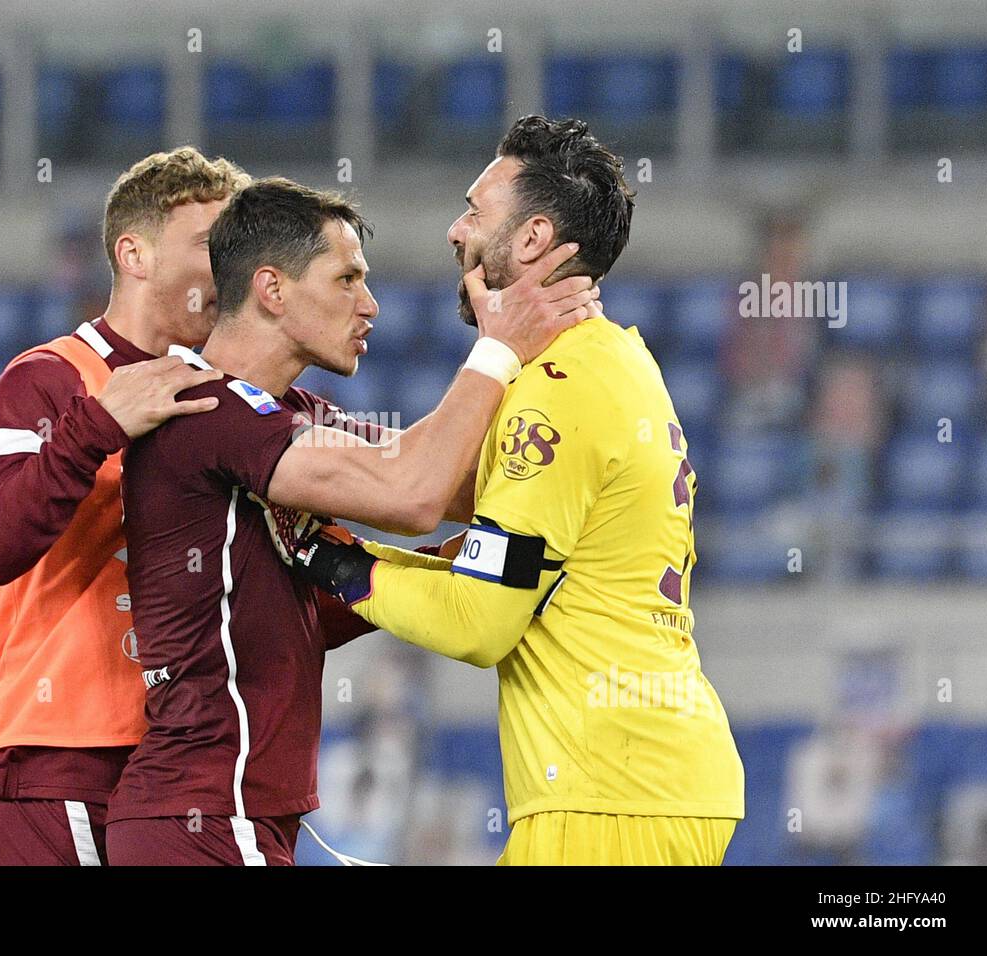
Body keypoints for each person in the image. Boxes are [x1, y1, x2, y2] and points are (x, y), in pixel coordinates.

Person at [105, 177, 597, 865]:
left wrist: (583, 435)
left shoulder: (291, 412)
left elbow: (454, 481)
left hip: (237, 815)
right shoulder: (201, 408)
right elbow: (413, 492)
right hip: (203, 815)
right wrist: (498, 348)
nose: (370, 305)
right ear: (272, 289)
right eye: (346, 280)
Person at [296, 116, 746, 865]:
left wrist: (332, 564)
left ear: (532, 238)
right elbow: (461, 507)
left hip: (609, 797)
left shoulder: (555, 394)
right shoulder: (617, 362)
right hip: (638, 785)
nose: (455, 230)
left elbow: (481, 618)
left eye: (475, 212)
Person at [0, 148, 248, 865]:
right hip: (52, 758)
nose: (231, 267)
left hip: (178, 767)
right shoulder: (47, 379)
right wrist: (99, 424)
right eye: (213, 246)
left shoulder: (223, 398)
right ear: (135, 253)